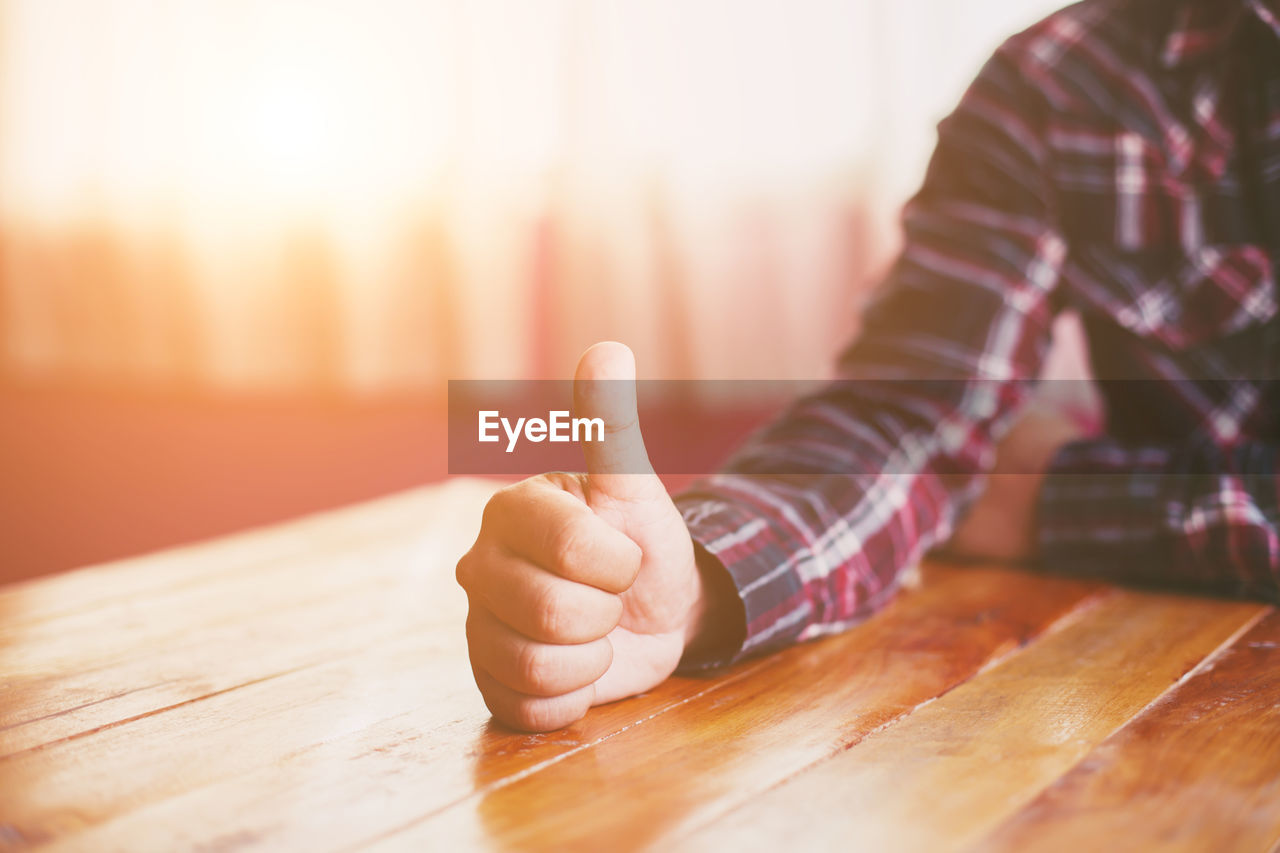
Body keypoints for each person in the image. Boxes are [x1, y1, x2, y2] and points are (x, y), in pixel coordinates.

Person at [456, 0, 1280, 732]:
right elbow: (905, 417)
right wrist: (697, 586)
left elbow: (986, 477)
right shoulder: (1065, 84)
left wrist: (1052, 500)